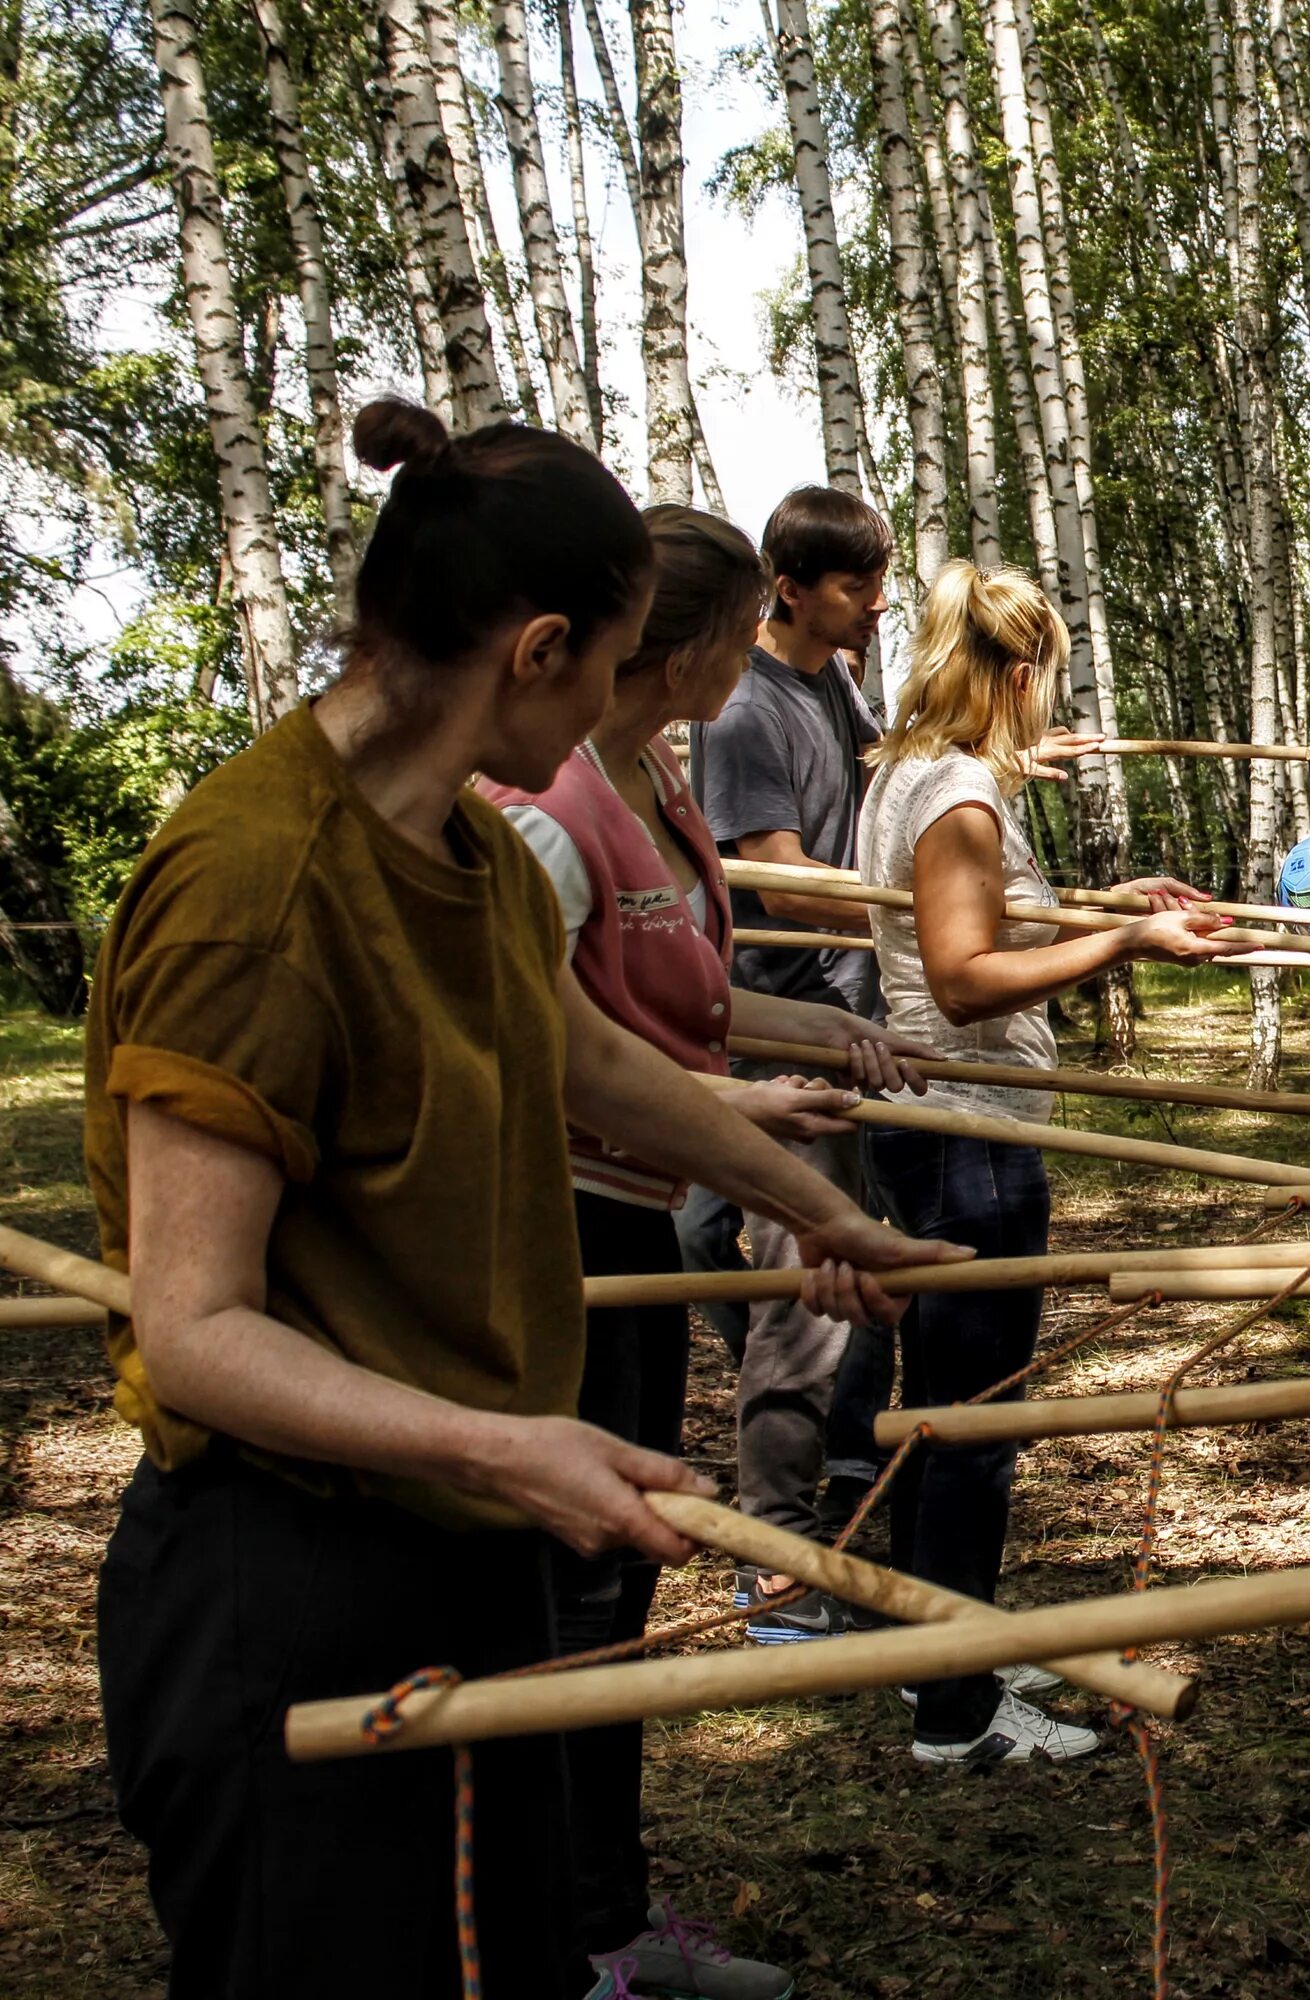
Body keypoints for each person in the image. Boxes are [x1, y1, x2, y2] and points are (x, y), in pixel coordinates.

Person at [87, 401, 964, 1998]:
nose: (633, 720)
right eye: (617, 670)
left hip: (455, 1533)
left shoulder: (465, 855)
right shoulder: (254, 894)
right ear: (540, 650)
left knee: (502, 1962)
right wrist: (510, 1443)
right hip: (289, 1563)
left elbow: (591, 1067)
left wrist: (819, 1212)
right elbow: (197, 1329)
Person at [482, 503, 939, 1991]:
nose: (753, 654)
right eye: (736, 629)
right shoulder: (550, 811)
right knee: (567, 1595)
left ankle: (604, 1925)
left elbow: (673, 996)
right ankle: (555, 1945)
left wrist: (814, 1034)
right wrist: (766, 1139)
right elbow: (548, 1060)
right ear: (669, 650)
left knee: (607, 1584)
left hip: (626, 1231)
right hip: (557, 1239)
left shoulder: (653, 782)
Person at [857, 560, 1247, 1765]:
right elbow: (965, 977)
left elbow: (969, 929)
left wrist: (1091, 905)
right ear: (1018, 676)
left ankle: (940, 1647)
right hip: (969, 1126)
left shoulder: (905, 773)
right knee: (974, 1416)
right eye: (1045, 684)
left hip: (939, 1126)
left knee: (938, 1408)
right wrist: (1126, 938)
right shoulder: (961, 792)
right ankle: (955, 1711)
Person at [687, 485, 908, 1636]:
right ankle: (773, 1556)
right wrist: (925, 910)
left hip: (839, 1016)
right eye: (854, 585)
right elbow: (778, 879)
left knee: (844, 1280)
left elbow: (877, 780)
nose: (875, 603)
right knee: (807, 1300)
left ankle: (839, 1489)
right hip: (776, 1027)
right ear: (791, 590)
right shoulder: (742, 712)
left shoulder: (833, 676)